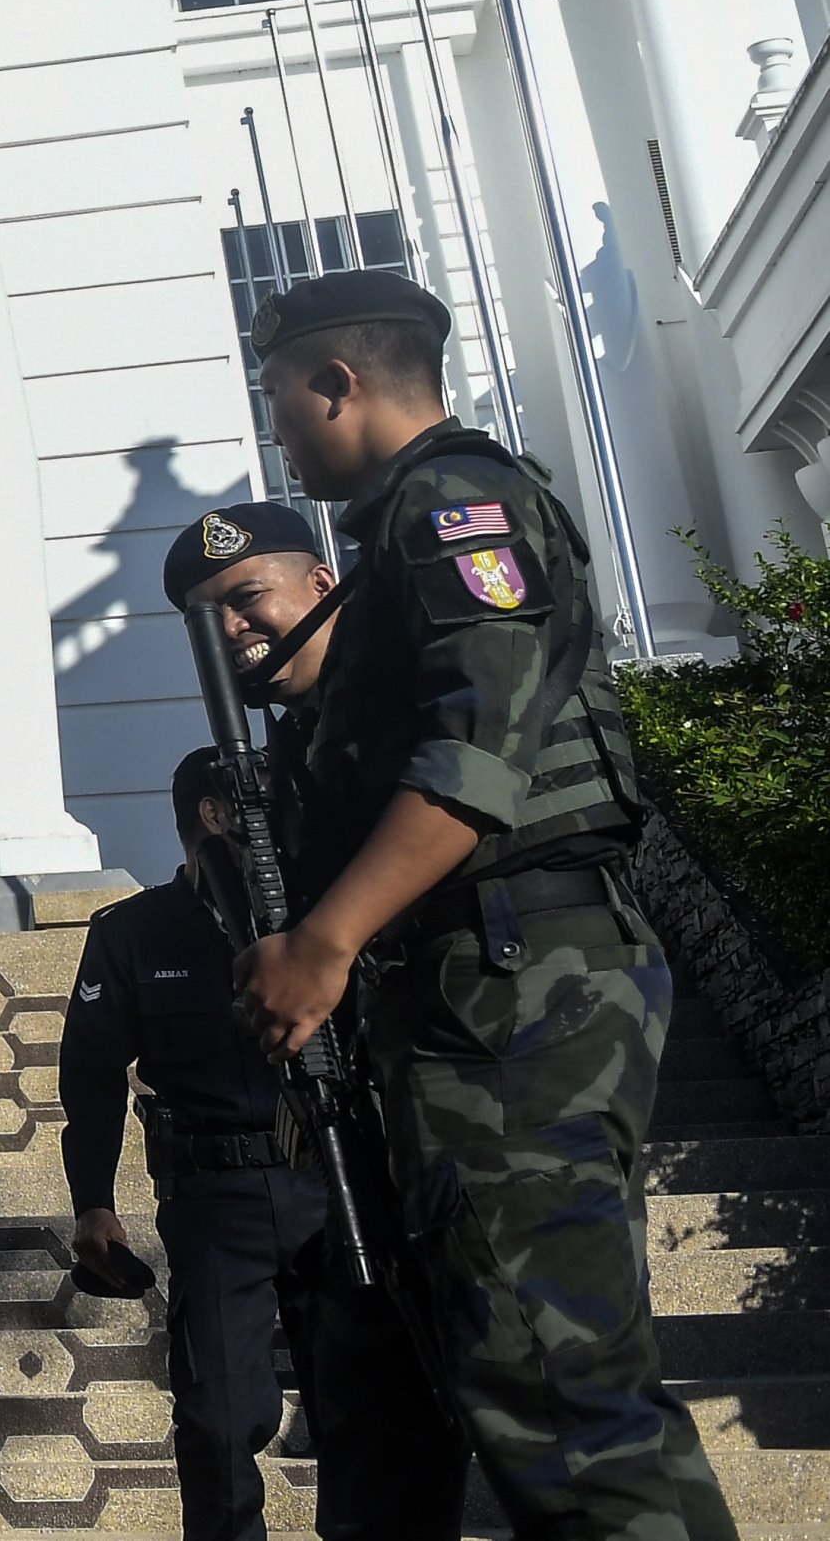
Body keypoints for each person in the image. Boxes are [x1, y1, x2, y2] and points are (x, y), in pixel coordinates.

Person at [230, 272, 737, 1541]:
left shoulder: (454, 503)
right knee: (503, 1379)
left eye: (282, 399)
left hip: (512, 981)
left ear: (336, 381)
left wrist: (327, 940)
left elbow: (477, 754)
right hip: (475, 986)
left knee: (560, 1398)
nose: (279, 431)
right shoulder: (405, 523)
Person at [63, 720, 460, 1541]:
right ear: (213, 815)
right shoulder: (132, 932)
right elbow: (91, 1076)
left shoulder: (324, 921)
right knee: (216, 1420)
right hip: (215, 1200)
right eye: (260, 811)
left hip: (335, 1187)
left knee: (362, 1415)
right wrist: (93, 1204)